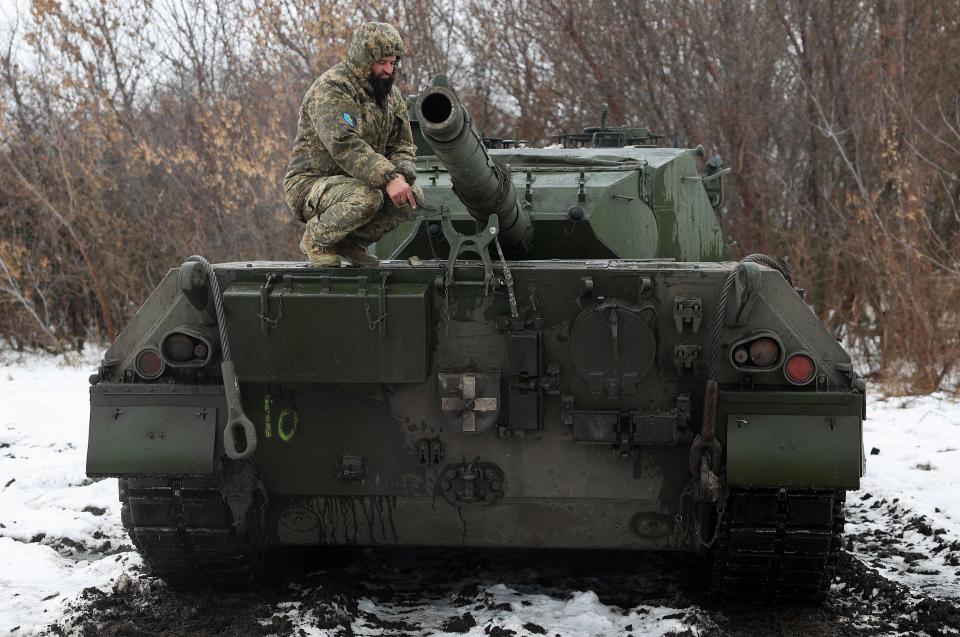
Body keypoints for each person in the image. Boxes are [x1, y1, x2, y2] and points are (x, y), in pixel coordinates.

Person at [283, 22, 422, 266]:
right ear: (363, 58)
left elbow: (403, 146)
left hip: (362, 181)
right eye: (382, 62)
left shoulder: (392, 97)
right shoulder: (333, 87)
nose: (388, 70)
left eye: (393, 63)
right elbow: (344, 144)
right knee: (368, 197)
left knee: (413, 198)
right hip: (311, 183)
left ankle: (349, 243)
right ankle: (315, 239)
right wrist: (388, 178)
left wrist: (400, 175)